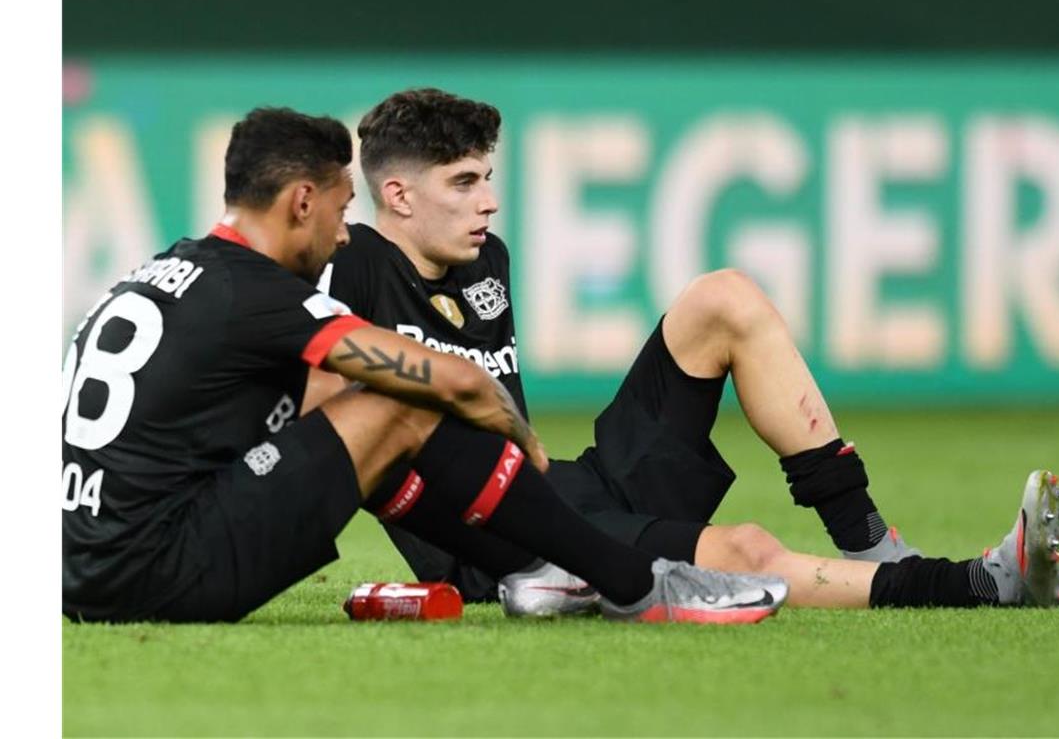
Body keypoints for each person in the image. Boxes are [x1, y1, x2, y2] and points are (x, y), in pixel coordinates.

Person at [316, 88, 1059, 613]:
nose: (488, 200)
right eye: (464, 182)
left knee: (725, 298)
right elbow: (313, 414)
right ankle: (979, 583)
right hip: (502, 544)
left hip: (568, 488)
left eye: (488, 176)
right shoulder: (346, 270)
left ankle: (873, 544)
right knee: (742, 549)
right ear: (398, 195)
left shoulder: (487, 258)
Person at [61, 106, 793, 625]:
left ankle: (542, 569)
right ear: (301, 200)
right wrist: (518, 438)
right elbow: (453, 380)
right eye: (342, 211)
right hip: (161, 573)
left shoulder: (161, 271)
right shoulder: (256, 291)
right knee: (401, 399)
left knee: (364, 408)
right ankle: (634, 583)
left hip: (79, 571)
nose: (346, 236)